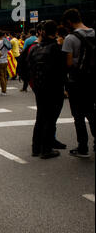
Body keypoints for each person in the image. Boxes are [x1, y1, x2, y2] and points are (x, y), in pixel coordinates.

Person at [28, 20, 67, 159]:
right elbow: (63, 70)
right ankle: (46, 149)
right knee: (50, 119)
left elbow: (28, 67)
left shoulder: (34, 48)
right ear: (55, 32)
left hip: (39, 87)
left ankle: (36, 148)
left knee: (40, 117)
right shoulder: (56, 48)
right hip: (54, 87)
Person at [62, 8, 96, 157]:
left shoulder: (70, 38)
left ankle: (83, 147)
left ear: (69, 22)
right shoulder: (94, 32)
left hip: (77, 81)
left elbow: (68, 63)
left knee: (78, 115)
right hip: (93, 79)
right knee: (92, 112)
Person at [0, 31, 10, 96]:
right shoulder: (6, 42)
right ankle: (4, 90)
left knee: (1, 77)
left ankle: (3, 91)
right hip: (5, 61)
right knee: (4, 76)